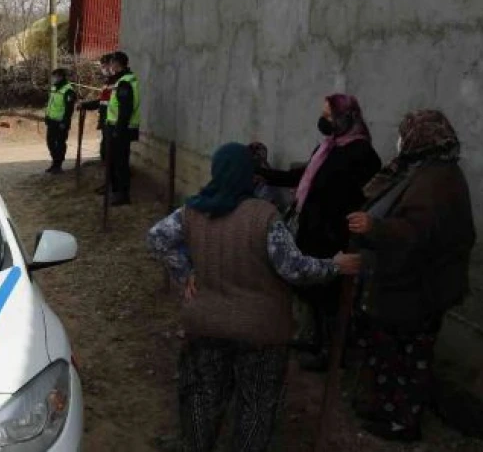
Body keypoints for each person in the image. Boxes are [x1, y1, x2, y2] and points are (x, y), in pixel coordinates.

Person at [148, 142, 361, 452]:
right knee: (256, 404)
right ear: (250, 175)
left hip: (205, 324)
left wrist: (185, 272)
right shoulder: (265, 217)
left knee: (201, 395)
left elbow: (156, 239)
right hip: (261, 331)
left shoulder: (193, 210)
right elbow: (294, 269)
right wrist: (335, 266)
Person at [346, 110, 475, 442]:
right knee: (388, 353)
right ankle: (386, 408)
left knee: (408, 358)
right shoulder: (420, 170)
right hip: (402, 286)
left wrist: (374, 227)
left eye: (405, 134)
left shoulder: (438, 181)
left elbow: (416, 233)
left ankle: (403, 422)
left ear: (423, 138)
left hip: (419, 291)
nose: (400, 140)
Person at [258, 94, 381, 370]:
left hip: (335, 234)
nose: (323, 121)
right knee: (311, 287)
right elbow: (303, 178)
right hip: (312, 229)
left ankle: (330, 352)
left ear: (346, 118)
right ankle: (315, 340)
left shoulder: (363, 155)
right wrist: (266, 175)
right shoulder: (328, 147)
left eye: (328, 116)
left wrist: (342, 226)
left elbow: (365, 199)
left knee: (331, 295)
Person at [102, 52, 140, 205]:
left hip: (121, 129)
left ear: (117, 64)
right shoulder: (122, 81)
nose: (110, 67)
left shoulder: (125, 83)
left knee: (120, 163)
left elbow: (125, 110)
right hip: (116, 127)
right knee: (115, 161)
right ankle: (116, 191)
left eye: (111, 63)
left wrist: (118, 130)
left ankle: (123, 195)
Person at [80, 54, 118, 172]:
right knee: (104, 151)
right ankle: (107, 181)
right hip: (106, 120)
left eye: (105, 66)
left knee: (111, 153)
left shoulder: (118, 82)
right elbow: (102, 102)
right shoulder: (108, 82)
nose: (103, 69)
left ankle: (112, 184)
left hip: (113, 122)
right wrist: (85, 105)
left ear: (112, 64)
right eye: (102, 66)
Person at [44, 68, 77, 174]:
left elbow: (69, 109)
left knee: (60, 144)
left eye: (55, 76)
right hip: (52, 121)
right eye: (53, 76)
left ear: (61, 77)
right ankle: (54, 163)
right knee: (50, 142)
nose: (53, 79)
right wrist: (47, 116)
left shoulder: (68, 90)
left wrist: (65, 122)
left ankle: (58, 165)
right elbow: (51, 104)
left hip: (61, 122)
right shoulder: (54, 88)